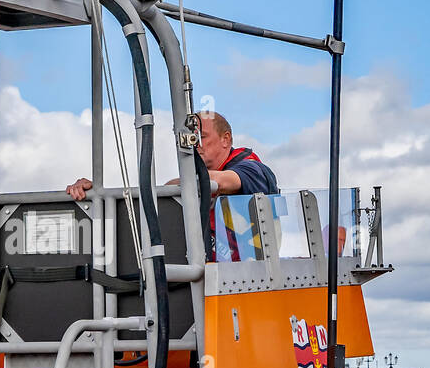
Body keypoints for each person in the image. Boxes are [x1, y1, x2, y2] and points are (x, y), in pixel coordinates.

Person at [65, 111, 278, 259]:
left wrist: (178, 186)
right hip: (207, 275)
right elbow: (164, 197)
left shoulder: (253, 169)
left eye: (201, 137)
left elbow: (220, 182)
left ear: (226, 139)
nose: (196, 144)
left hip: (246, 278)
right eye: (191, 138)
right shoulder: (191, 181)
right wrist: (100, 196)